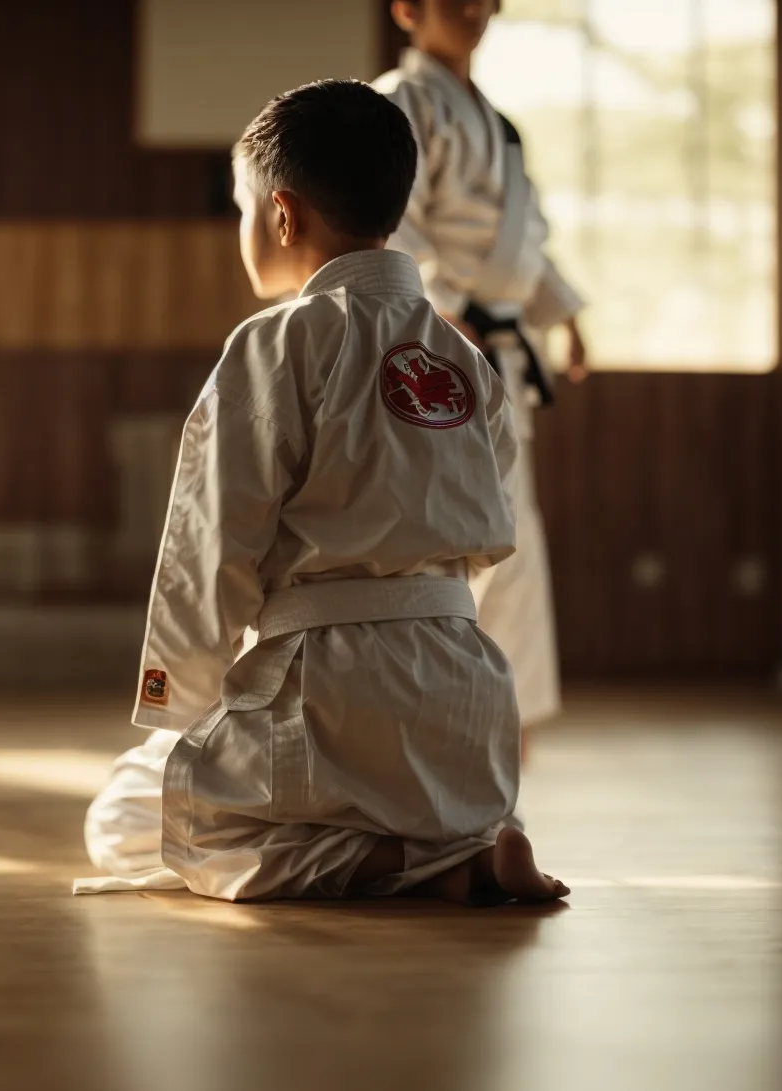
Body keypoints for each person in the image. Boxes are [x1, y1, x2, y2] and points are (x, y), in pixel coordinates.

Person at [76, 79, 566, 904]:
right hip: (469, 707)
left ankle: (409, 866)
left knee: (128, 816)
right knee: (407, 790)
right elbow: (487, 533)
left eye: (243, 211)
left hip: (330, 692)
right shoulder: (464, 358)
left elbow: (209, 548)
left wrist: (180, 699)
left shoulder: (279, 342)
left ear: (282, 214)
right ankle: (462, 844)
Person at [374, 0, 587, 750]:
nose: (472, 11)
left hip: (500, 342)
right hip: (439, 350)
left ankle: (508, 715)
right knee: (444, 538)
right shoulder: (398, 104)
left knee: (513, 540)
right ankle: (434, 715)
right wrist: (436, 310)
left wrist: (563, 316)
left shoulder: (499, 125)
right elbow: (393, 221)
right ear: (407, 9)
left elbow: (526, 240)